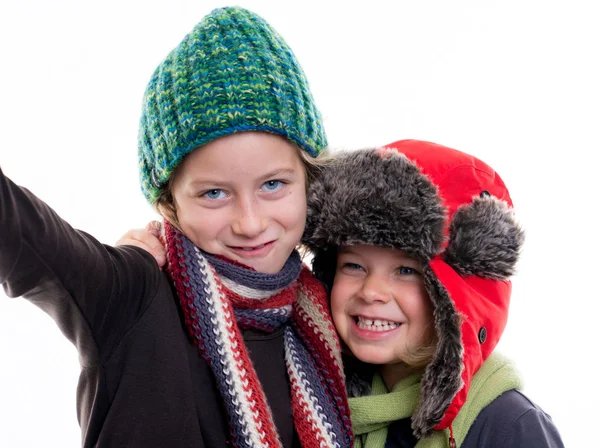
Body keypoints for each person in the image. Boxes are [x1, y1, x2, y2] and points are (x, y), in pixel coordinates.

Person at [1, 6, 352, 448]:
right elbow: (17, 230)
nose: (250, 222)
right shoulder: (133, 293)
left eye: (273, 184)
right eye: (214, 193)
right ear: (169, 201)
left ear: (310, 182)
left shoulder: (330, 318)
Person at [301, 139, 565, 447]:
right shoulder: (317, 403)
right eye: (353, 265)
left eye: (406, 271)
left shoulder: (509, 427)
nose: (372, 291)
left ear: (453, 296)